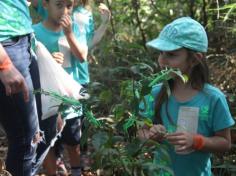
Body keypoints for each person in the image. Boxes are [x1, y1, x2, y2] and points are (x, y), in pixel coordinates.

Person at [139, 17, 235, 176]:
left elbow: (225, 143)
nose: (162, 60)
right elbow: (141, 132)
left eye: (171, 54)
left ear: (195, 59)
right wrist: (151, 135)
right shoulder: (154, 93)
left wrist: (196, 141)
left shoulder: (213, 98)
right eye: (161, 53)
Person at [32, 0, 89, 175]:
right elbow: (31, 63)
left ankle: (76, 171)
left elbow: (82, 57)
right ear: (45, 5)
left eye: (69, 6)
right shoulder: (35, 32)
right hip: (46, 98)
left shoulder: (75, 29)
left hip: (69, 98)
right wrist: (48, 60)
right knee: (47, 141)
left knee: (73, 140)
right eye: (59, 5)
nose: (64, 10)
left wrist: (69, 34)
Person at [0, 1, 41, 176]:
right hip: (7, 48)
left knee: (33, 135)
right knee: (25, 139)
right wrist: (4, 64)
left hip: (25, 41)